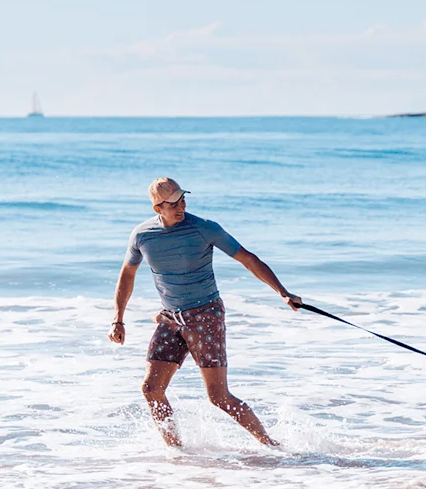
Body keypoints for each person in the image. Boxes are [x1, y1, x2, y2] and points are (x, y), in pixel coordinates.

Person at [108, 177, 301, 447]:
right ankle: (177, 454)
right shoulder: (142, 236)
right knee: (151, 389)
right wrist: (118, 319)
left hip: (205, 315)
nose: (181, 206)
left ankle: (271, 445)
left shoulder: (204, 228)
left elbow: (247, 258)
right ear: (158, 208)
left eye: (183, 199)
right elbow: (127, 275)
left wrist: (282, 292)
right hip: (170, 317)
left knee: (219, 396)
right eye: (173, 202)